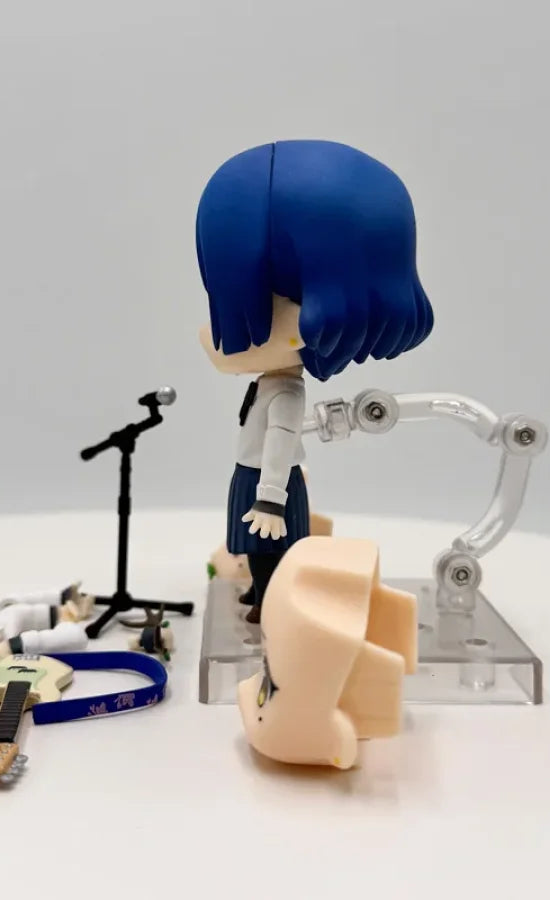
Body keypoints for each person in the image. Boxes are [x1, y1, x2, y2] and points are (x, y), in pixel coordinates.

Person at [196, 140, 434, 623]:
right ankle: (260, 591)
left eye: (265, 305)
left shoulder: (285, 392)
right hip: (255, 475)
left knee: (270, 546)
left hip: (267, 483)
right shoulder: (270, 384)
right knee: (256, 548)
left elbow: (281, 440)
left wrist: (271, 498)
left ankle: (270, 600)